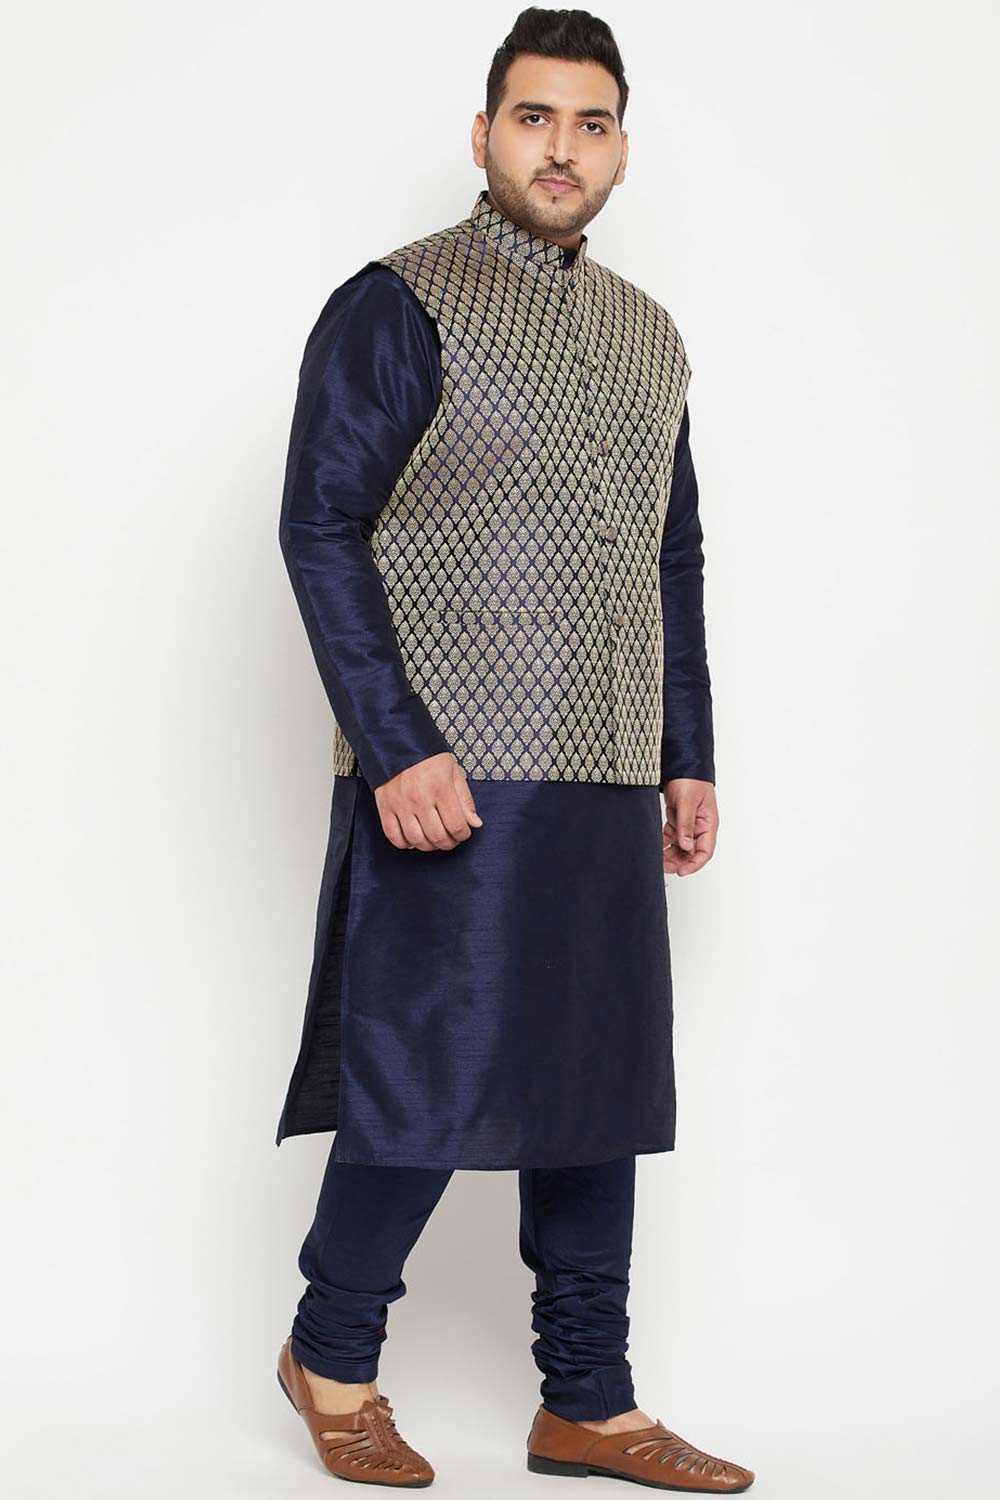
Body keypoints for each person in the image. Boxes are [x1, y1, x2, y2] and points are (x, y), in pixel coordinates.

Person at [273, 7, 754, 1490]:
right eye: (535, 117)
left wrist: (686, 750)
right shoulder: (397, 304)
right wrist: (395, 745)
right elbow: (321, 524)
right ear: (484, 134)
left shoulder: (648, 335)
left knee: (595, 1090)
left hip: (607, 772)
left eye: (590, 123)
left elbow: (669, 555)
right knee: (423, 1075)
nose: (562, 148)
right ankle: (332, 1355)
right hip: (450, 777)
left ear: (620, 150)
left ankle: (587, 1402)